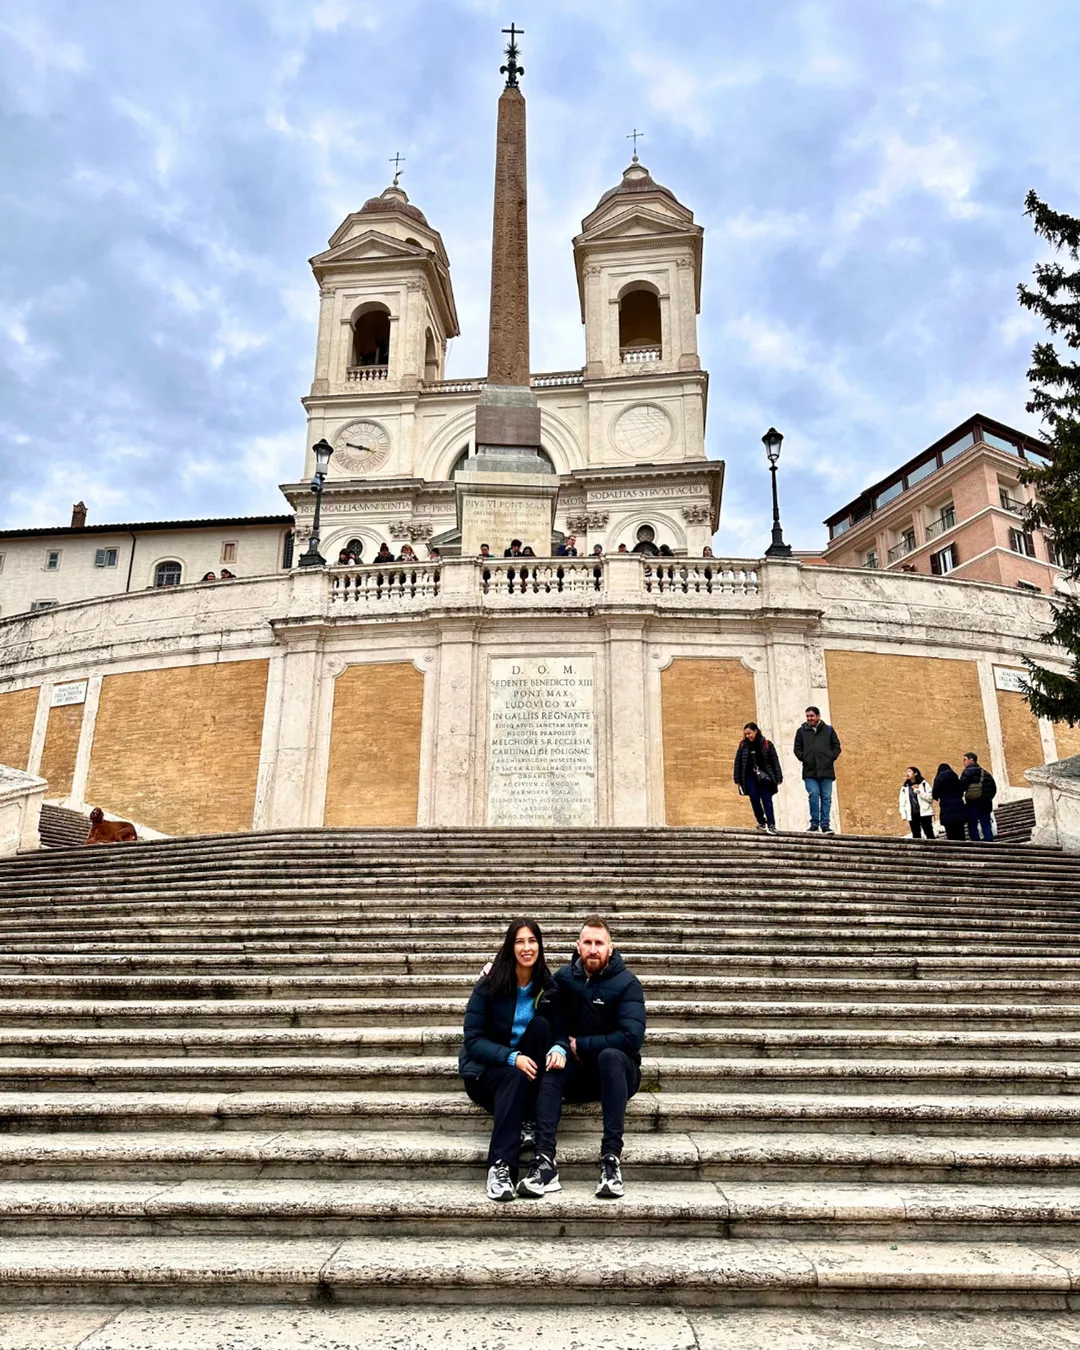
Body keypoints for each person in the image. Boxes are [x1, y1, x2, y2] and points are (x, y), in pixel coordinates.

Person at [522, 917, 646, 1202]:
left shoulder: (627, 983)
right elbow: (538, 1002)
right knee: (554, 1062)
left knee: (610, 1056)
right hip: (577, 1074)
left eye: (599, 943)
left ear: (610, 948)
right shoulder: (564, 978)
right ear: (578, 946)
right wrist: (494, 976)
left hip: (617, 1074)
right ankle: (544, 1161)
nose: (593, 949)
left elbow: (631, 1038)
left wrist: (583, 1045)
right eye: (587, 943)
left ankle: (611, 1160)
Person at [459, 919, 565, 1202]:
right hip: (486, 1072)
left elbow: (559, 1029)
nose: (527, 948)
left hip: (525, 1071)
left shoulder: (547, 985)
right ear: (510, 946)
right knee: (513, 1075)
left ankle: (530, 1121)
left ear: (540, 947)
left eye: (532, 941)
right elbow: (473, 1039)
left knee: (543, 1027)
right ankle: (500, 1167)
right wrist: (510, 1057)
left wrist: (561, 1048)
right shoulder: (490, 984)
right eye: (520, 941)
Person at [793, 706, 841, 835]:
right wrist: (804, 758)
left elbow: (836, 746)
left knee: (826, 797)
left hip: (826, 770)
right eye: (807, 716)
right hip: (810, 771)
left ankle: (825, 824)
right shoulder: (801, 732)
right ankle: (814, 823)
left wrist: (830, 757)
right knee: (813, 795)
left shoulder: (829, 730)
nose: (809, 718)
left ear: (818, 716)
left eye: (812, 716)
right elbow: (797, 748)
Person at [733, 722, 782, 833]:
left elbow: (774, 761)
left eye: (749, 733)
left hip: (765, 777)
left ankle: (771, 824)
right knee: (754, 799)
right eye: (745, 734)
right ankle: (761, 821)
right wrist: (737, 779)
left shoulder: (767, 744)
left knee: (767, 800)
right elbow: (738, 762)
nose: (747, 736)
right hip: (750, 777)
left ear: (755, 731)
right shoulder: (742, 746)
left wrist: (778, 777)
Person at [959, 751, 997, 842]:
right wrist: (987, 798)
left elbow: (961, 786)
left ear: (971, 760)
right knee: (986, 824)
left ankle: (976, 844)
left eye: (965, 760)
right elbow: (993, 788)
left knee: (972, 825)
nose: (963, 762)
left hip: (973, 803)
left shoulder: (967, 772)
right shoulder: (985, 772)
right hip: (986, 804)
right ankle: (989, 843)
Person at [932, 762, 967, 841]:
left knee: (950, 831)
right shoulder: (955, 776)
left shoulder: (939, 778)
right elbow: (961, 791)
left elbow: (935, 794)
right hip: (958, 806)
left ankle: (953, 849)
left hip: (946, 807)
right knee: (960, 830)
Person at [899, 766, 935, 839]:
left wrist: (919, 792)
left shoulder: (923, 784)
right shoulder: (905, 787)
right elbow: (902, 801)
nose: (907, 773)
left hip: (925, 812)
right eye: (907, 772)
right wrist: (903, 814)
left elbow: (930, 798)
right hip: (912, 813)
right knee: (915, 834)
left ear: (915, 773)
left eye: (909, 771)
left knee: (928, 832)